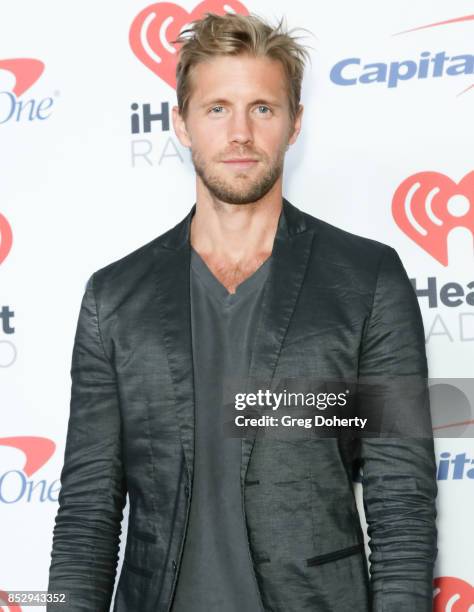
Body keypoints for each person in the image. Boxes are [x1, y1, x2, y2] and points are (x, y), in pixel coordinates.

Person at [47, 12, 438, 612]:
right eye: (216, 108)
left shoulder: (367, 280)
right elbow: (87, 511)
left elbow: (401, 499)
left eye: (262, 108)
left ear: (294, 122)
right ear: (181, 123)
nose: (240, 134)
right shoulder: (114, 298)